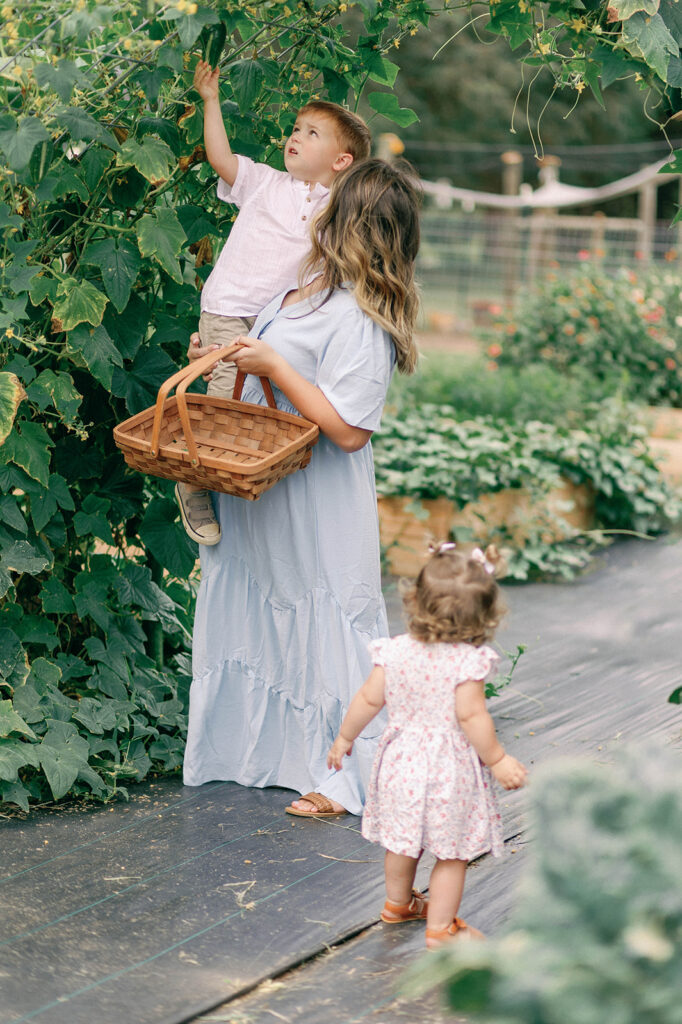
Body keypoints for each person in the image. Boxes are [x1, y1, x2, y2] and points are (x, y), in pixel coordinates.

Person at [182, 158, 421, 818]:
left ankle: (343, 775)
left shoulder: (361, 318)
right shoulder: (301, 292)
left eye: (329, 207)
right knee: (262, 606)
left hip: (316, 499)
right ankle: (256, 753)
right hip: (263, 489)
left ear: (351, 226)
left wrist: (276, 366)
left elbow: (347, 429)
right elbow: (265, 370)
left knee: (326, 622)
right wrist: (225, 352)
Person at [175, 59, 371, 547]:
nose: (295, 137)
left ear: (341, 161)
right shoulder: (264, 182)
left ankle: (238, 475)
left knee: (260, 403)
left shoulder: (338, 211)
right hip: (229, 306)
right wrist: (211, 100)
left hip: (277, 323)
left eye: (311, 133)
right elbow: (220, 158)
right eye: (295, 129)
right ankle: (193, 482)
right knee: (223, 398)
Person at [327, 542, 528, 948]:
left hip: (399, 764)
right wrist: (498, 759)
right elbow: (471, 717)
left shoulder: (395, 651)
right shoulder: (466, 662)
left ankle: (398, 904)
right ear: (485, 616)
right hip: (446, 770)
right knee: (451, 853)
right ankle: (441, 929)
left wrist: (345, 737)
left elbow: (369, 699)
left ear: (415, 599)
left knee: (403, 841)